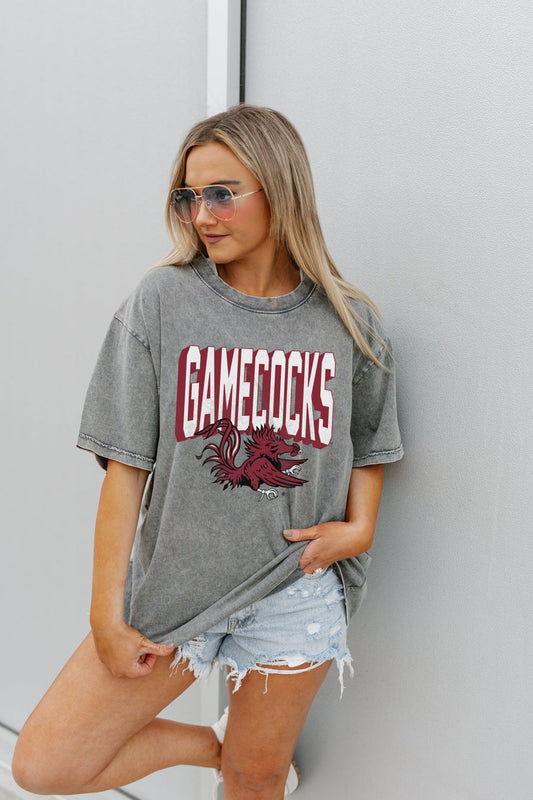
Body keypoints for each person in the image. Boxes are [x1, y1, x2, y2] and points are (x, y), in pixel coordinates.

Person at [12, 104, 403, 799]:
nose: (202, 215)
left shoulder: (347, 319)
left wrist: (360, 528)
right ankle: (221, 747)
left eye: (221, 193)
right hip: (177, 588)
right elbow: (124, 470)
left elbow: (370, 440)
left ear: (280, 190)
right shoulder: (163, 301)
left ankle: (248, 761)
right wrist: (105, 614)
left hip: (294, 586)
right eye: (188, 197)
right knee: (47, 766)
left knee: (256, 781)